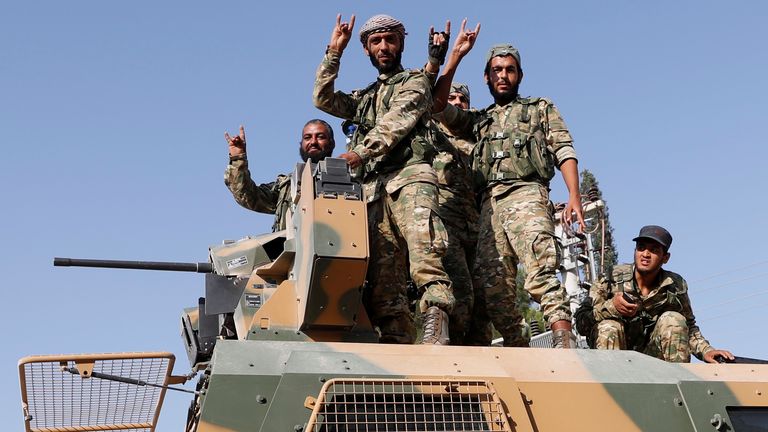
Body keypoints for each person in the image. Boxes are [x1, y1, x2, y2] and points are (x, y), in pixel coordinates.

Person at [433, 24, 584, 348]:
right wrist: (456, 55)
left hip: (526, 193)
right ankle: (518, 346)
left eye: (510, 70)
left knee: (539, 269)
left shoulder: (539, 109)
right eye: (496, 70)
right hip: (489, 206)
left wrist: (574, 195)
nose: (503, 75)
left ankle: (562, 338)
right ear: (487, 78)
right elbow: (436, 104)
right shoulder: (477, 120)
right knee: (492, 288)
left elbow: (564, 149)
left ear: (520, 75)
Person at [313, 14, 454, 345]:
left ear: (401, 43)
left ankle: (436, 322)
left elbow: (396, 122)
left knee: (425, 252)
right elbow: (323, 98)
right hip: (374, 190)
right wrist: (335, 50)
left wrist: (360, 153)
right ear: (366, 49)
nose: (384, 47)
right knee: (384, 281)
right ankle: (396, 341)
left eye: (390, 39)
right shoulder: (365, 97)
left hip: (411, 178)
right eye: (375, 41)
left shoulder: (415, 82)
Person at [586, 225, 734, 363]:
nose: (645, 254)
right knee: (609, 326)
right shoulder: (610, 278)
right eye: (641, 248)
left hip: (653, 356)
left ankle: (677, 384)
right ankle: (610, 389)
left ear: (665, 258)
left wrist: (706, 351)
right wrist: (612, 307)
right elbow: (582, 321)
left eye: (654, 250)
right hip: (615, 360)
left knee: (673, 320)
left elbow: (689, 326)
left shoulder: (675, 285)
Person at [224, 119, 335, 232]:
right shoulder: (287, 186)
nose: (313, 142)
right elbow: (248, 196)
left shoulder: (349, 178)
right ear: (301, 144)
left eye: (320, 137)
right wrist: (238, 158)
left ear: (332, 143)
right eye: (307, 138)